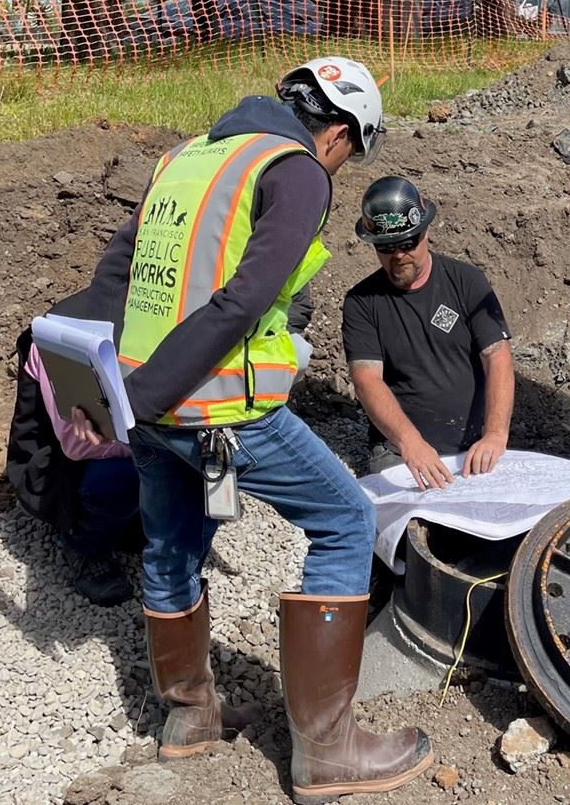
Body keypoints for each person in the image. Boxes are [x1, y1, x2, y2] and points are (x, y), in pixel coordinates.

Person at [85, 56, 431, 800]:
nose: (340, 162)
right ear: (339, 131)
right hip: (213, 404)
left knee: (172, 544)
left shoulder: (187, 157)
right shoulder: (297, 170)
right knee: (346, 518)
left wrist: (110, 387)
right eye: (351, 149)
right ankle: (329, 750)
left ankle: (189, 720)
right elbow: (242, 302)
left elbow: (117, 271)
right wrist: (155, 391)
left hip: (147, 405)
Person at [341, 176, 514, 489]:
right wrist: (410, 443)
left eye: (408, 243)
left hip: (473, 442)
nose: (398, 255)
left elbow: (497, 356)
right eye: (386, 247)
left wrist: (495, 434)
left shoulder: (466, 281)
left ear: (425, 233)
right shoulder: (361, 303)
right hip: (401, 450)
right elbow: (367, 380)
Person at [6, 289, 140, 608]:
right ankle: (85, 546)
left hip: (127, 448)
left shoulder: (170, 320)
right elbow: (78, 447)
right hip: (64, 471)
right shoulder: (68, 335)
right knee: (123, 474)